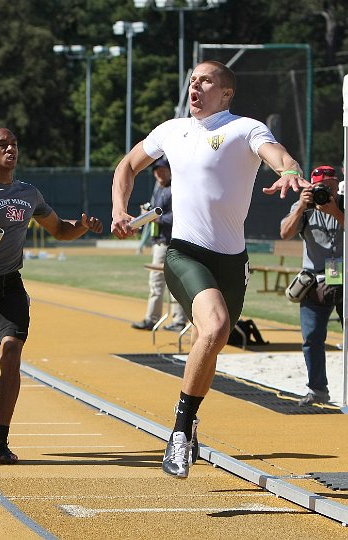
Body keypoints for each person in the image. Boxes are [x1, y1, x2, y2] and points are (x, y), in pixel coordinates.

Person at [111, 60, 309, 479]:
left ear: (226, 93)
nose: (195, 86)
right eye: (192, 80)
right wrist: (118, 209)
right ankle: (179, 434)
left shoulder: (244, 128)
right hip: (186, 254)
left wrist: (289, 170)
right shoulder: (171, 131)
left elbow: (276, 154)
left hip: (232, 262)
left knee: (210, 340)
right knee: (216, 327)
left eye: (205, 81)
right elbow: (126, 166)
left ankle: (190, 422)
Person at [0, 127, 103, 465]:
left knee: (11, 354)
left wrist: (83, 226)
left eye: (14, 144)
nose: (11, 149)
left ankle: (0, 441)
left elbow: (59, 230)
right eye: (3, 145)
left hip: (10, 285)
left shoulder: (29, 193)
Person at [280, 165, 344, 406]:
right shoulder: (304, 210)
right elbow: (285, 233)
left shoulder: (344, 203)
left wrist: (335, 210)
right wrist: (300, 206)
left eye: (329, 186)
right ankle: (317, 389)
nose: (325, 191)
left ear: (337, 183)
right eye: (320, 187)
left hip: (344, 278)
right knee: (312, 338)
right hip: (315, 280)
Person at [131, 157, 188, 332]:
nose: (159, 173)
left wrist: (156, 217)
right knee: (158, 283)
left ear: (170, 171)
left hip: (170, 242)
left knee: (172, 283)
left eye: (162, 170)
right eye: (156, 170)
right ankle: (155, 318)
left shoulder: (174, 189)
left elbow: (178, 215)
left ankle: (174, 320)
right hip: (160, 241)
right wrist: (147, 213)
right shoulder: (159, 189)